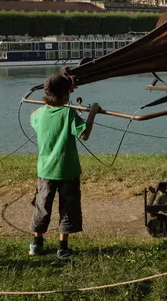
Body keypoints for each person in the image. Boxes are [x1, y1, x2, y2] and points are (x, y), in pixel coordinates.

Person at [28, 73, 101, 258]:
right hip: (68, 171)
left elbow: (36, 117)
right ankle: (63, 247)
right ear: (66, 94)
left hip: (45, 171)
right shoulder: (69, 113)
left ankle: (36, 244)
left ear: (46, 93)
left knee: (42, 207)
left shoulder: (38, 114)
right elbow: (84, 134)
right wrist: (92, 112)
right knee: (68, 208)